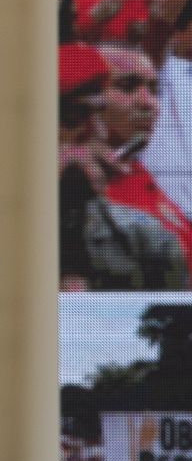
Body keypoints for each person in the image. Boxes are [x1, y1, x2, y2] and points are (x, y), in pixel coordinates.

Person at [60, 40, 191, 288]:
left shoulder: (137, 171)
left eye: (153, 89)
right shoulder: (68, 186)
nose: (149, 103)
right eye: (127, 86)